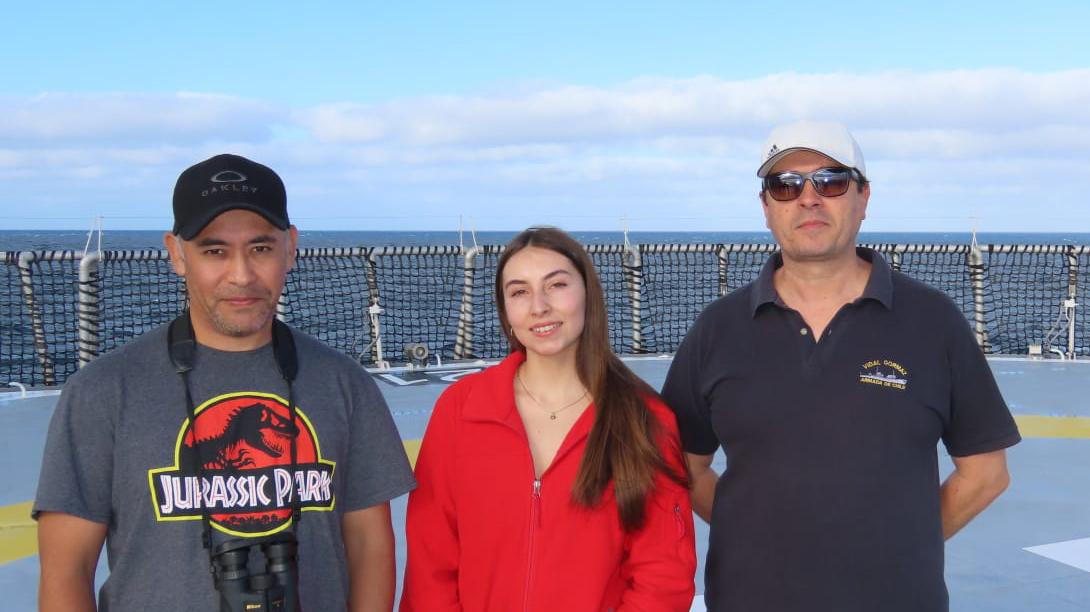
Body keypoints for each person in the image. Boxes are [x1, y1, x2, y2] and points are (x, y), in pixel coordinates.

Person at [662, 121, 1021, 611]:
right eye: (784, 186)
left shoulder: (934, 322)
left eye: (830, 181)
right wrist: (747, 529)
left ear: (864, 197)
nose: (808, 198)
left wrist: (899, 543)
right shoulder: (717, 330)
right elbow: (682, 464)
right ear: (766, 208)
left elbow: (985, 474)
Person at [34, 153, 415, 611]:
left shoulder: (346, 384)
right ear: (176, 253)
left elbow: (371, 550)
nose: (241, 275)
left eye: (261, 248)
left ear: (290, 248)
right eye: (214, 251)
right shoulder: (101, 392)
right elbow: (65, 571)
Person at [401, 227, 696, 611]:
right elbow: (430, 561)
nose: (538, 306)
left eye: (556, 285)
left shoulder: (645, 420)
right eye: (519, 292)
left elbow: (662, 577)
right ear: (506, 312)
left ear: (588, 294)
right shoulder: (461, 409)